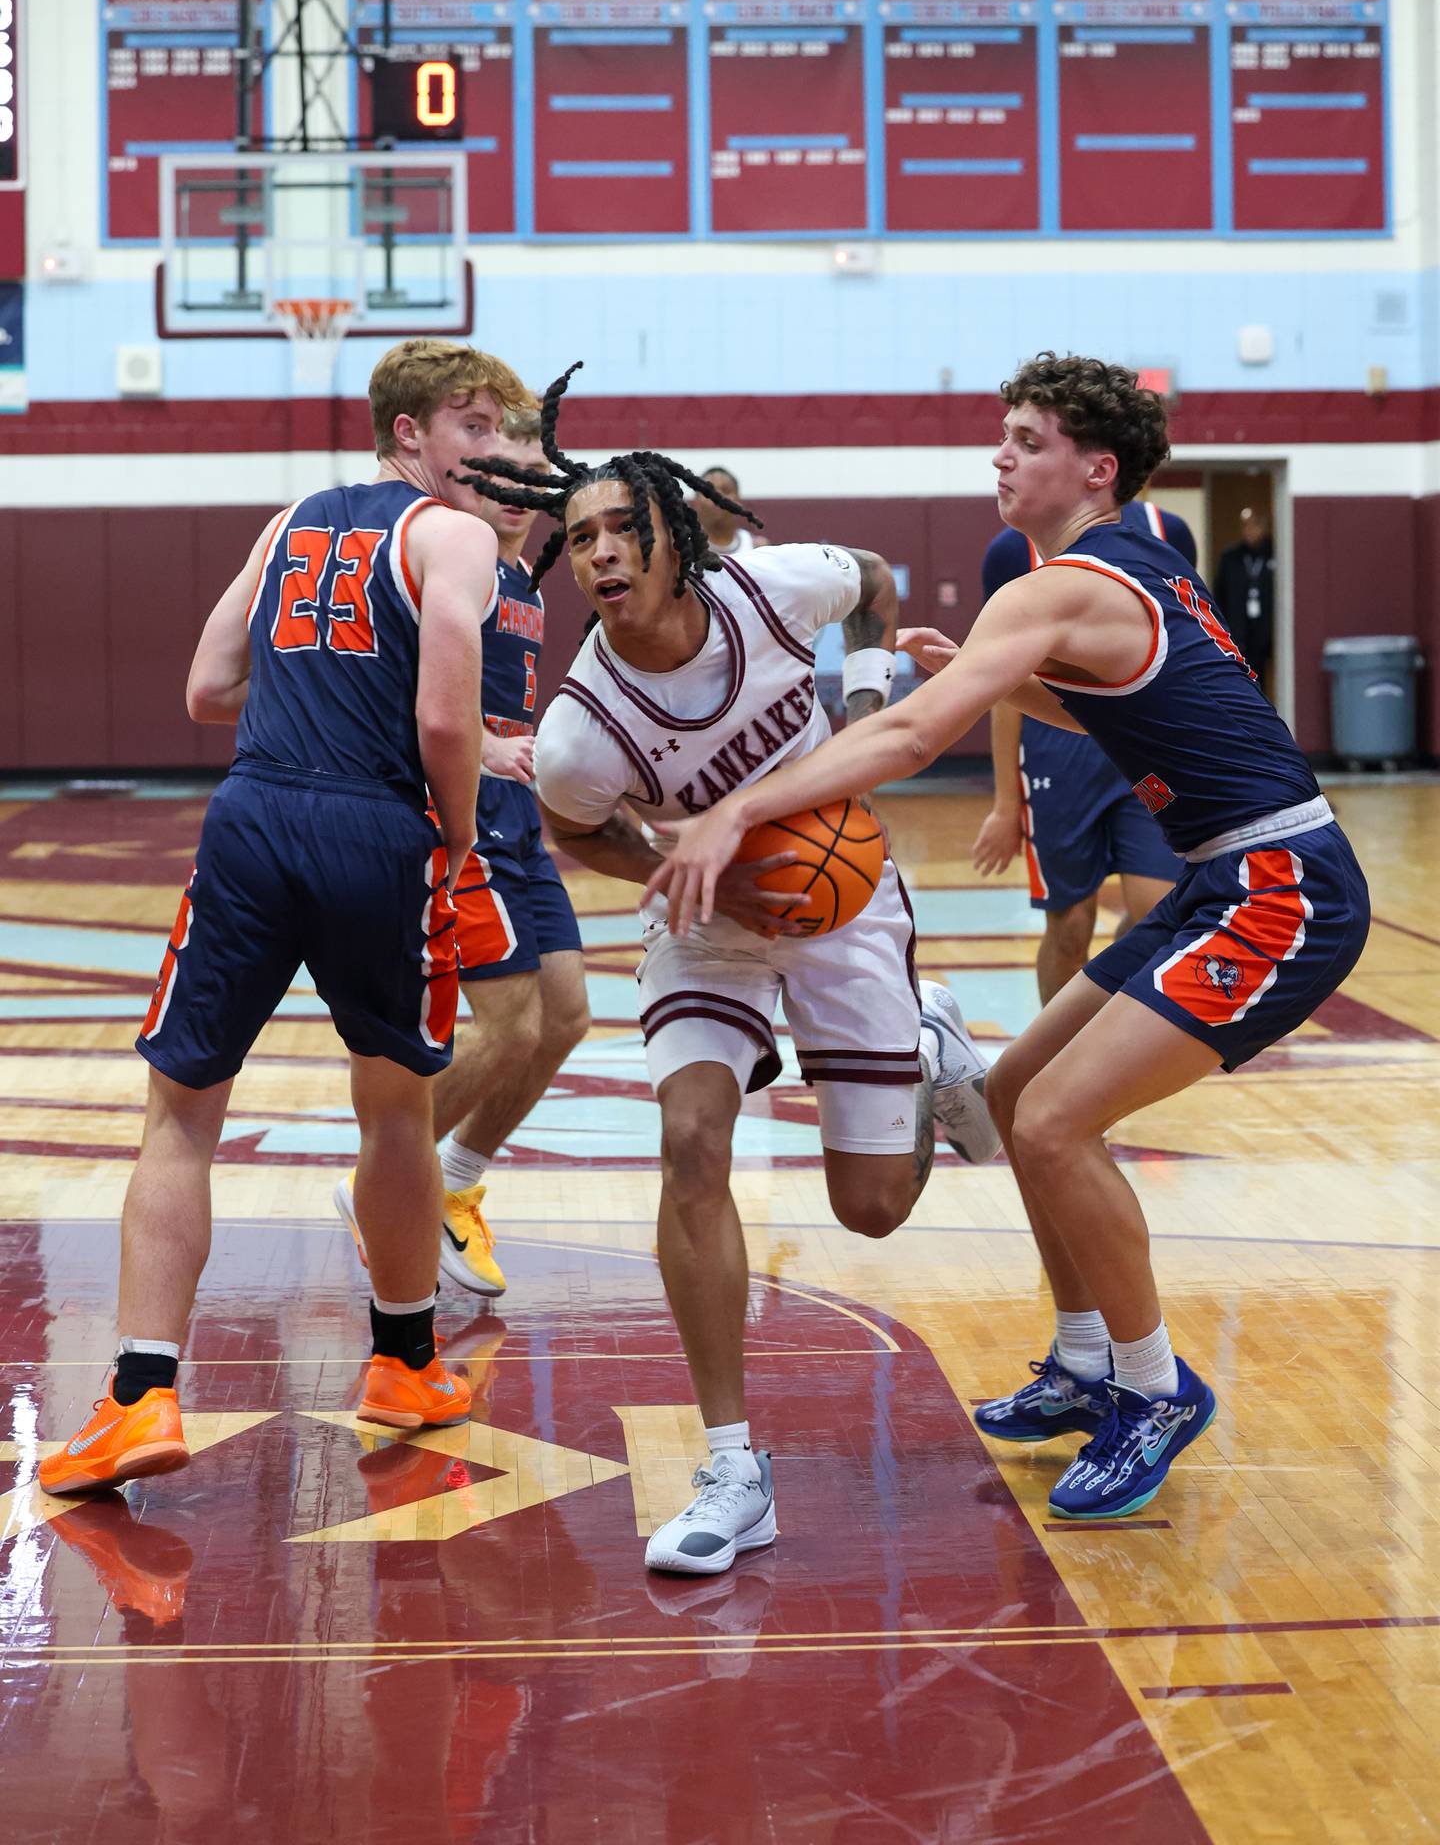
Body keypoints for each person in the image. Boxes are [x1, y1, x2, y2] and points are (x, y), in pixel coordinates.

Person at [646, 352, 1370, 1523]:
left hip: (1279, 884)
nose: (1001, 453)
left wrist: (739, 806)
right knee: (1012, 1092)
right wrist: (993, 683)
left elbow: (908, 740)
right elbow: (1116, 704)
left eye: (1028, 439)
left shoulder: (1060, 585)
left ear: (1097, 467)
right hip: (1228, 870)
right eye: (1004, 434)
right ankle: (1087, 1357)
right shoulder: (1123, 571)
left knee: (1058, 1120)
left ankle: (1152, 1388)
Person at [460, 390, 996, 1576]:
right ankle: (734, 1465)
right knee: (692, 1146)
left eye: (621, 531)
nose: (599, 553)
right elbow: (575, 832)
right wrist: (664, 863)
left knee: (872, 1211)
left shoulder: (774, 587)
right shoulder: (581, 729)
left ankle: (925, 1041)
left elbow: (875, 575)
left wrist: (860, 696)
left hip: (842, 904)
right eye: (582, 537)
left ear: (673, 539)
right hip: (706, 927)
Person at [38, 339, 517, 1496]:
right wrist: (453, 836)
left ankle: (138, 1397)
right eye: (473, 426)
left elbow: (207, 689)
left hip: (251, 821)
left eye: (501, 428)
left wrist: (317, 688)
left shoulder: (294, 514)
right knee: (395, 1110)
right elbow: (450, 726)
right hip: (379, 831)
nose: (495, 451)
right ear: (407, 435)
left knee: (180, 1118)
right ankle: (404, 1365)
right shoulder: (457, 536)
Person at [335, 384, 592, 1296]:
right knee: (508, 1026)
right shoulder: (447, 557)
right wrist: (480, 751)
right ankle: (382, 1184)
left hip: (519, 824)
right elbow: (404, 695)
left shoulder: (524, 578)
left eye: (534, 478)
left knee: (565, 1017)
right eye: (500, 473)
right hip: (460, 817)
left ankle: (457, 1182)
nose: (519, 491)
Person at [973, 501, 1196, 1003]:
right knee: (1072, 925)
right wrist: (1007, 804)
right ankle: (1052, 1057)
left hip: (1143, 746)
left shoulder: (1168, 530)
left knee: (1158, 911)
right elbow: (1002, 681)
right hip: (1056, 750)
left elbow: (1188, 652)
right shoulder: (1014, 549)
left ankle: (1096, 1010)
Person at [1215, 506, 1275, 691]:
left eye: (1255, 526)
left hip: (1266, 633)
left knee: (1262, 679)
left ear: (1264, 528)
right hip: (1237, 631)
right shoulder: (1230, 557)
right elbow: (1219, 595)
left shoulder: (1276, 554)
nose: (1250, 531)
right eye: (1246, 526)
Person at [689, 463, 769, 559]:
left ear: (738, 501)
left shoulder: (757, 548)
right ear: (695, 502)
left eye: (725, 490)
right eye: (708, 492)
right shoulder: (681, 546)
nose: (717, 497)